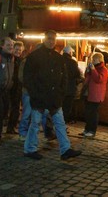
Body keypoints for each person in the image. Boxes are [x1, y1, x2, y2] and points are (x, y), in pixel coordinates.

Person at [23, 30, 81, 160]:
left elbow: (64, 77)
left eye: (53, 39)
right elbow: (28, 78)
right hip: (39, 97)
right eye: (49, 39)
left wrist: (61, 93)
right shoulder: (34, 56)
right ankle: (30, 148)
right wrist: (35, 93)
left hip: (54, 97)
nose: (51, 41)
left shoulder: (58, 58)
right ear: (44, 39)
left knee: (60, 123)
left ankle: (65, 149)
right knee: (35, 124)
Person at [81, 52, 108, 137]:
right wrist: (88, 70)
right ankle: (87, 129)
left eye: (94, 59)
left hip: (96, 95)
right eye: (92, 59)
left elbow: (98, 79)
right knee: (87, 113)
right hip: (88, 93)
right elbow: (87, 76)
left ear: (99, 60)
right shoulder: (93, 68)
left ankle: (92, 131)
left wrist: (93, 69)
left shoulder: (104, 69)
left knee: (93, 113)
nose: (93, 61)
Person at [6, 41, 25, 134]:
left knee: (15, 108)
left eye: (20, 50)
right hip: (9, 86)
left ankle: (11, 126)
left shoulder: (22, 60)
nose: (18, 51)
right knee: (6, 107)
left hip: (17, 88)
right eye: (16, 49)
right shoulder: (9, 59)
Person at [62, 45, 82, 124]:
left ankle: (57, 126)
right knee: (67, 108)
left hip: (60, 89)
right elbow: (77, 74)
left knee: (59, 108)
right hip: (70, 89)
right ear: (70, 53)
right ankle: (63, 125)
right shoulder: (73, 62)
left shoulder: (59, 60)